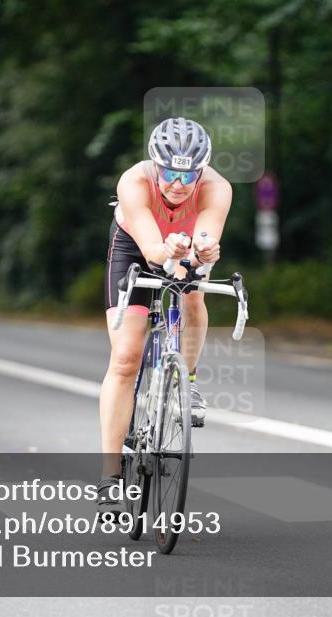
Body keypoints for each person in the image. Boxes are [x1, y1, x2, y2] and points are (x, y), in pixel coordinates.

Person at [97, 117, 232, 514]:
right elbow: (152, 247)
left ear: (201, 171)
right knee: (125, 358)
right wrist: (168, 253)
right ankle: (109, 475)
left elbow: (206, 238)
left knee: (192, 295)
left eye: (188, 174)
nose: (178, 183)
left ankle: (186, 379)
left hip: (184, 246)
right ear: (156, 165)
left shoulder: (216, 188)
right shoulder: (133, 182)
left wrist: (202, 252)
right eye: (169, 172)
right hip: (137, 247)